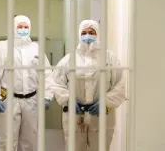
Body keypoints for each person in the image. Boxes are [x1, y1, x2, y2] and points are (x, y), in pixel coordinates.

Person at [45, 20, 126, 151]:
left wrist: (106, 101)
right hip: (75, 116)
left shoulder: (109, 59)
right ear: (79, 34)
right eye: (84, 33)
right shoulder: (69, 59)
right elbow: (55, 83)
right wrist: (68, 99)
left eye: (91, 32)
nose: (87, 36)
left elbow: (120, 85)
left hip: (102, 116)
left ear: (98, 34)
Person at [0, 15, 52, 151]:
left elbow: (47, 74)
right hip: (9, 100)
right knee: (7, 140)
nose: (23, 30)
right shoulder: (2, 49)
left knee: (30, 140)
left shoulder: (36, 49)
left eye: (26, 27)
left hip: (32, 100)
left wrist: (47, 96)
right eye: (20, 27)